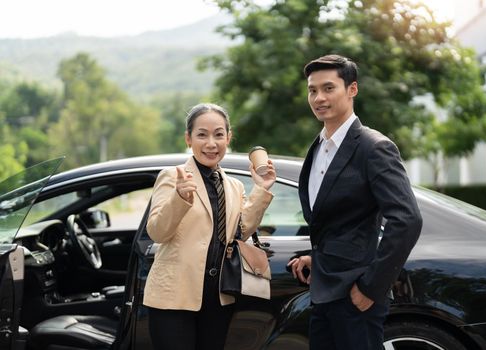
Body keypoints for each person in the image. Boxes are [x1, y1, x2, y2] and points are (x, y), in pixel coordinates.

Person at [288, 54, 423, 349]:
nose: (319, 98)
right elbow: (341, 223)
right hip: (325, 291)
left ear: (352, 90)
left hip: (355, 297)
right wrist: (319, 259)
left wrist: (371, 287)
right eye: (312, 90)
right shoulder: (319, 147)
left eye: (328, 88)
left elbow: (407, 220)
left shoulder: (374, 147)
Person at [143, 103, 276, 350]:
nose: (211, 143)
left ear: (228, 138)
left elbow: (240, 232)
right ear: (188, 139)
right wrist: (179, 199)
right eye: (202, 135)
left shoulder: (234, 186)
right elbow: (157, 232)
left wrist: (261, 188)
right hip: (174, 299)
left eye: (218, 134)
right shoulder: (173, 176)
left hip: (217, 298)